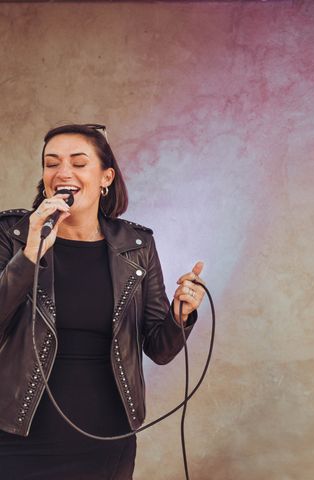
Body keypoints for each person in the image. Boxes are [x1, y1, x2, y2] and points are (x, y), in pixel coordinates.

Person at [0, 124, 206, 479]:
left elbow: (159, 348)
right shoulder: (14, 233)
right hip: (20, 432)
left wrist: (180, 316)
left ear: (105, 177)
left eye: (79, 163)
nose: (63, 172)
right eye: (52, 164)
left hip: (107, 438)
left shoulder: (137, 245)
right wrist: (30, 253)